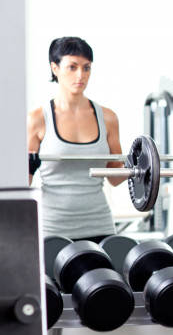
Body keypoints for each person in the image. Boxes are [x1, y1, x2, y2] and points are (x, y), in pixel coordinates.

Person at [27, 36, 127, 241]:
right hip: (53, 229)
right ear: (55, 68)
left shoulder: (107, 118)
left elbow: (115, 178)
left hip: (99, 224)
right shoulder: (37, 119)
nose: (80, 75)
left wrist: (138, 166)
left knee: (106, 275)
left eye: (86, 67)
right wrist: (29, 167)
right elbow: (23, 183)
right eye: (72, 67)